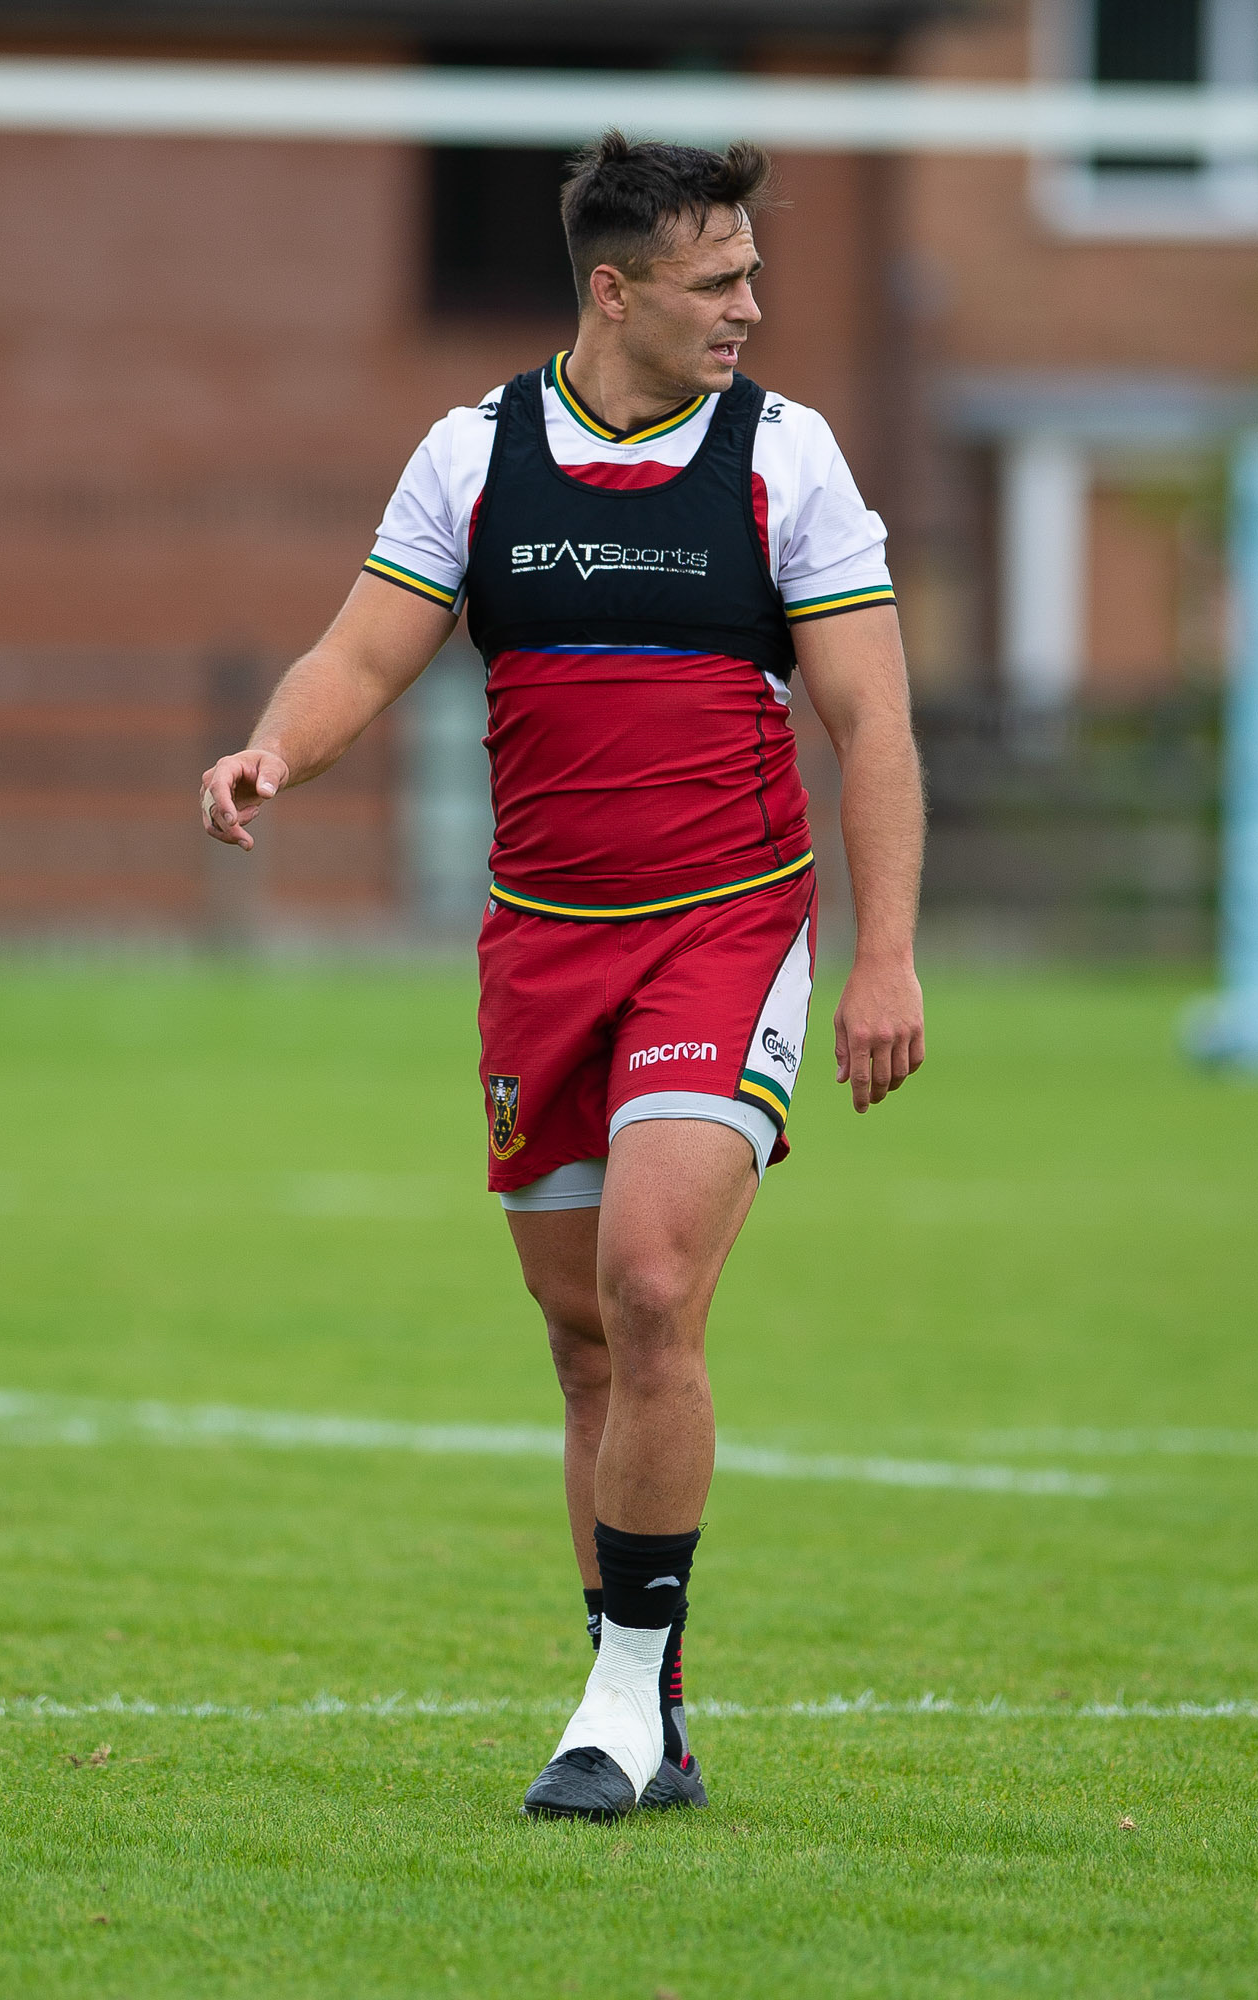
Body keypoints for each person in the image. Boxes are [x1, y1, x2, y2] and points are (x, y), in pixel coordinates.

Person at [200, 132, 925, 1822]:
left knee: (656, 1284)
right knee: (588, 1344)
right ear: (616, 292)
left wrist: (882, 955)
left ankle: (604, 1702)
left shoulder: (786, 456)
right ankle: (650, 1710)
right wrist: (271, 752)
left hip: (727, 925)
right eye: (717, 280)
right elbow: (365, 646)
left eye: (753, 272)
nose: (752, 305)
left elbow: (874, 722)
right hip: (542, 945)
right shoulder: (472, 456)